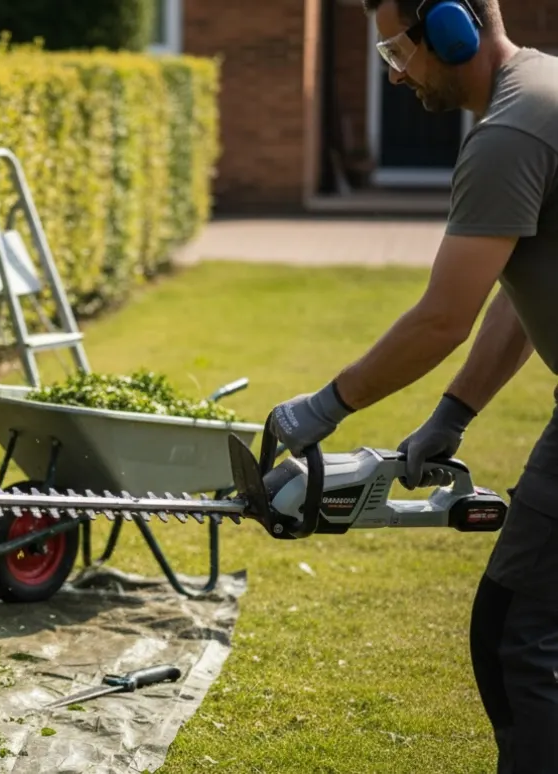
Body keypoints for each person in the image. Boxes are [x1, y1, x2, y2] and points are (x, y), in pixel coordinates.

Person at [266, 0, 558, 769]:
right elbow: (523, 295)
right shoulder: (542, 90)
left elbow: (443, 317)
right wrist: (454, 413)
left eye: (396, 50)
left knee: (517, 635)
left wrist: (325, 406)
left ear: (453, 30)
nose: (393, 73)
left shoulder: (509, 132)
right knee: (522, 624)